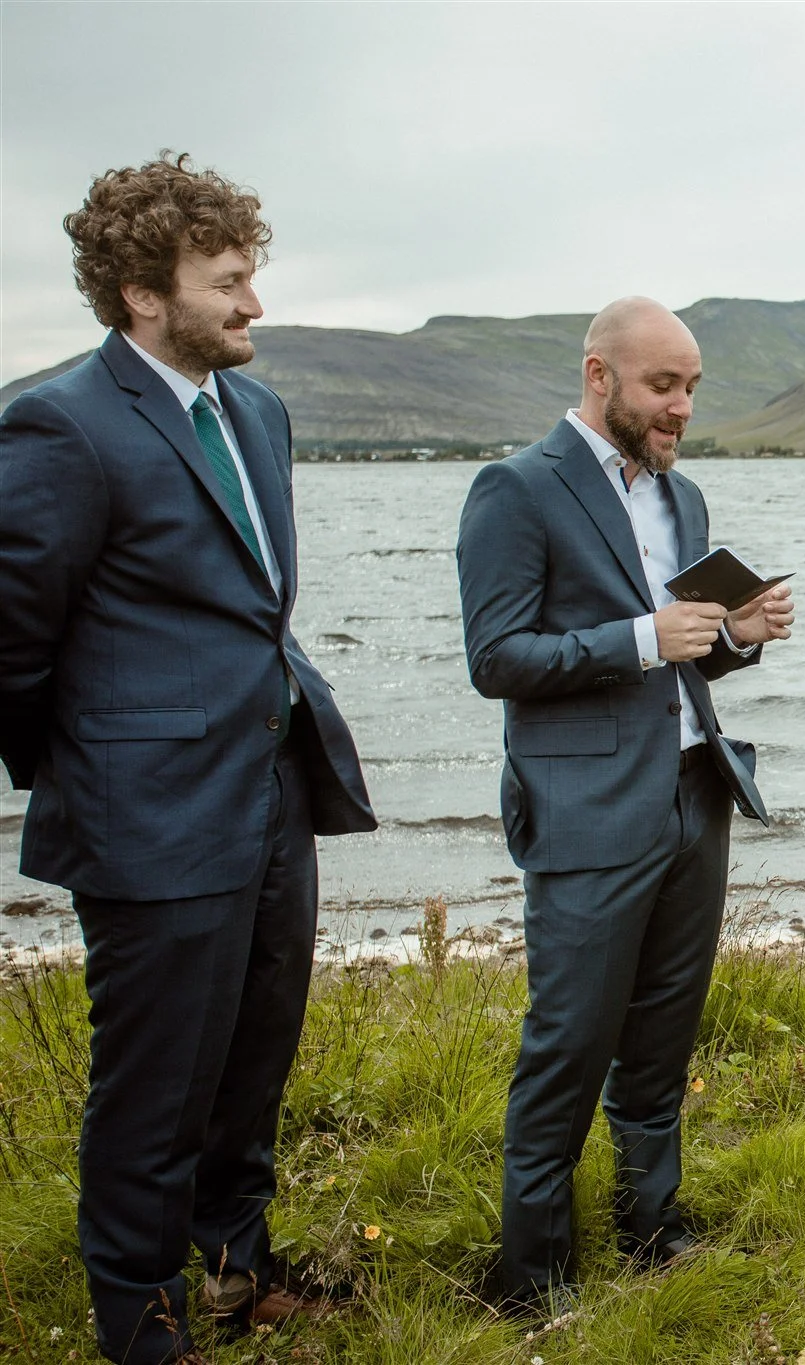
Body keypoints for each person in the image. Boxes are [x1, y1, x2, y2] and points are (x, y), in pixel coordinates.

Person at [0, 154, 378, 1365]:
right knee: (154, 1084)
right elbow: (14, 638)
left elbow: (248, 606)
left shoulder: (255, 412)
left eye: (251, 274)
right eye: (227, 281)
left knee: (254, 1053)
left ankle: (233, 1271)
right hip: (147, 816)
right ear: (139, 294)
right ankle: (139, 1320)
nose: (253, 303)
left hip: (273, 790)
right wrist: (94, 775)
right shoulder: (60, 423)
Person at [455, 297, 795, 1310]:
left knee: (662, 1036)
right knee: (569, 1043)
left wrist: (739, 636)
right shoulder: (515, 490)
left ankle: (653, 1231)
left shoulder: (680, 498)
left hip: (697, 794)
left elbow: (687, 663)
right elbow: (495, 659)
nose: (681, 406)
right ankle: (533, 1277)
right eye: (662, 386)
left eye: (691, 387)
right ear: (598, 375)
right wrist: (644, 636)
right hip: (589, 809)